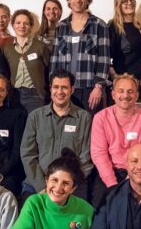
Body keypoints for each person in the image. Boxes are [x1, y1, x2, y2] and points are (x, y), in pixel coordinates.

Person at [19, 70, 94, 198]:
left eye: (64, 87)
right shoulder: (35, 117)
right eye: (56, 87)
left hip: (71, 186)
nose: (60, 92)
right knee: (27, 208)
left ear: (72, 89)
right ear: (50, 89)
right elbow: (28, 154)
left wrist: (68, 184)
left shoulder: (84, 118)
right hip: (37, 184)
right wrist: (42, 187)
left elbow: (86, 157)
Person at [90, 73, 141, 206]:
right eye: (121, 91)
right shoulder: (100, 118)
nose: (125, 95)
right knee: (100, 208)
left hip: (137, 172)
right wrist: (113, 186)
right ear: (113, 94)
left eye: (130, 91)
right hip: (108, 171)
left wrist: (128, 184)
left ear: (136, 95)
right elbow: (99, 154)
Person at [49, 0, 113, 112]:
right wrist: (53, 86)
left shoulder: (99, 25)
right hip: (65, 89)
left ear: (88, 0)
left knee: (89, 123)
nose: (78, 0)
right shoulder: (61, 26)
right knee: (66, 124)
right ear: (68, 0)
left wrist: (98, 87)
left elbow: (104, 59)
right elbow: (55, 59)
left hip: (90, 88)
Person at [3, 9, 51, 113]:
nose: (22, 26)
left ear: (31, 26)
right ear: (13, 25)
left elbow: (49, 71)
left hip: (35, 96)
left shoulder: (40, 47)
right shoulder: (7, 48)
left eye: (26, 23)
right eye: (18, 23)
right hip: (14, 95)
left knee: (35, 123)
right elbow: (5, 72)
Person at [110, 0, 141, 85]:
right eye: (124, 1)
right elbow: (107, 56)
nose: (130, 3)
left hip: (137, 82)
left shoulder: (137, 25)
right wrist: (115, 77)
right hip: (122, 83)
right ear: (118, 5)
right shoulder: (113, 26)